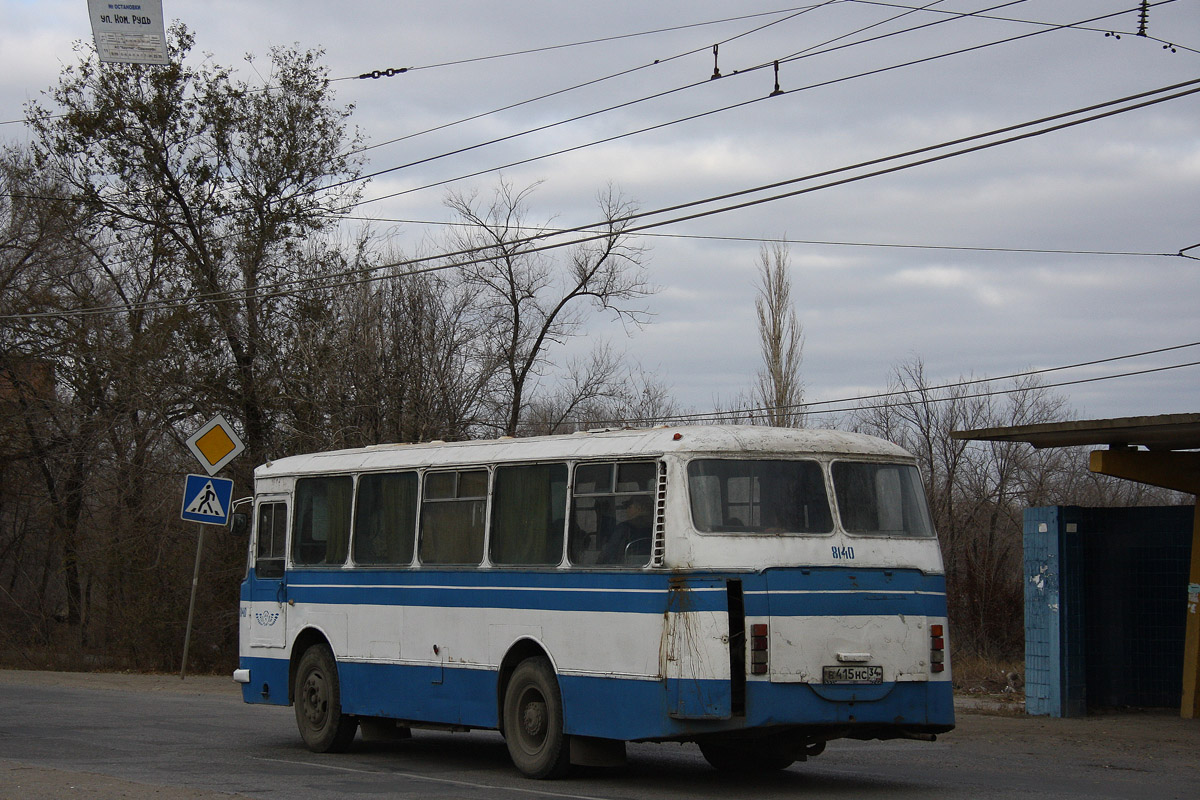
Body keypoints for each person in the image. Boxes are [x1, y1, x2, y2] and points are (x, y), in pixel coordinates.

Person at [601, 495, 653, 564]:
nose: (627, 510)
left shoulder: (623, 528)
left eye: (629, 507)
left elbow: (610, 553)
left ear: (640, 508)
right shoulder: (654, 527)